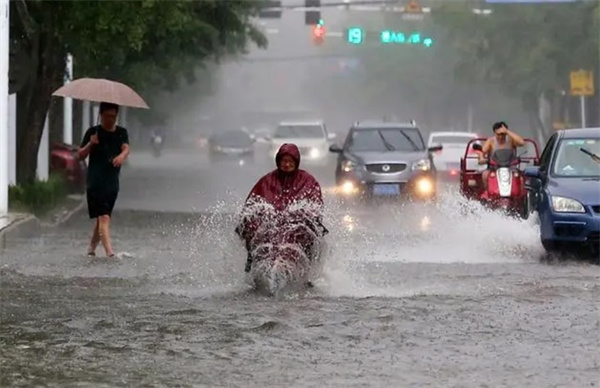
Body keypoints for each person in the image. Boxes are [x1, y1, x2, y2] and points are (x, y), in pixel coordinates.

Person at [236, 143, 326, 272]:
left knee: (310, 230)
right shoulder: (266, 181)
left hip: (295, 228)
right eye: (284, 161)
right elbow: (252, 204)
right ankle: (254, 261)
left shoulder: (308, 181)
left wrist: (301, 216)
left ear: (296, 162)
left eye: (290, 161)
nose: (287, 164)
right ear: (278, 161)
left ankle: (307, 270)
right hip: (271, 227)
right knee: (250, 226)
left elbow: (315, 205)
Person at [78, 102, 130, 258]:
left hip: (112, 182)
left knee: (103, 217)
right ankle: (110, 253)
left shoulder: (121, 132)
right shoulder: (93, 132)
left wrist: (121, 156)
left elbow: (126, 148)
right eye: (107, 116)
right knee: (104, 217)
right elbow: (80, 156)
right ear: (100, 115)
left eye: (113, 116)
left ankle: (92, 247)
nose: (110, 120)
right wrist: (90, 145)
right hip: (95, 181)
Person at [478, 121, 525, 189]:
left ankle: (519, 195)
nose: (501, 137)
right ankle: (488, 192)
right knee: (485, 175)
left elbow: (521, 142)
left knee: (520, 179)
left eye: (503, 134)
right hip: (494, 168)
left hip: (511, 167)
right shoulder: (491, 141)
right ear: (495, 133)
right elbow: (483, 151)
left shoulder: (511, 140)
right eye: (498, 134)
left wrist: (507, 131)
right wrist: (481, 159)